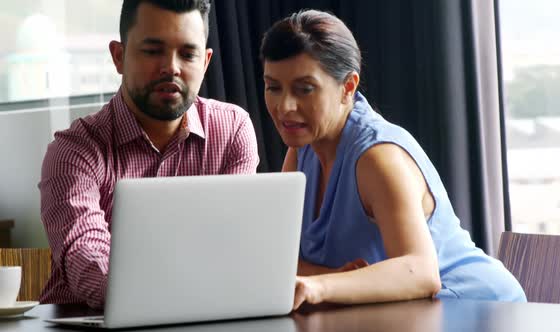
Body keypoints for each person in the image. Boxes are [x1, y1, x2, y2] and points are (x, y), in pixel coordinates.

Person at [259, 10, 526, 310]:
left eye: (304, 89)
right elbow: (285, 263)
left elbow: (422, 273)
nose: (285, 107)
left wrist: (321, 285)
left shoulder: (378, 157)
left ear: (347, 87)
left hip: (477, 307)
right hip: (402, 312)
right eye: (273, 87)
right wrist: (335, 279)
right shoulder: (301, 148)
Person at [39, 0, 259, 308]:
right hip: (84, 321)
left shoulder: (232, 130)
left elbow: (232, 245)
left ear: (206, 62)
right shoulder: (74, 150)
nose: (171, 66)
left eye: (188, 53)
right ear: (119, 56)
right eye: (153, 50)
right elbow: (86, 257)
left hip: (201, 317)